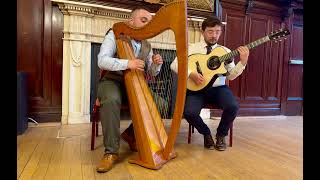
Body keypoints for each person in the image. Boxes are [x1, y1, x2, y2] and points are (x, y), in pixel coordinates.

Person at [96, 7, 163, 173]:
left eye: (149, 22)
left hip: (135, 83)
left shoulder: (147, 45)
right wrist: (127, 63)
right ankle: (111, 152)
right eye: (143, 20)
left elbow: (150, 71)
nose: (147, 24)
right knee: (111, 100)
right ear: (131, 21)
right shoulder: (115, 34)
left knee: (161, 104)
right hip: (113, 80)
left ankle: (129, 134)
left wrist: (156, 64)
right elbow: (102, 61)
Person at [170, 16, 249, 151]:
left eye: (217, 32)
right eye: (210, 31)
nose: (214, 35)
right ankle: (206, 133)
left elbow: (231, 75)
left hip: (218, 89)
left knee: (233, 106)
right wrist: (191, 74)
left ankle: (221, 135)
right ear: (203, 32)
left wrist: (243, 62)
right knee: (189, 112)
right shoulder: (191, 48)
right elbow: (174, 64)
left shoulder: (226, 52)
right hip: (196, 89)